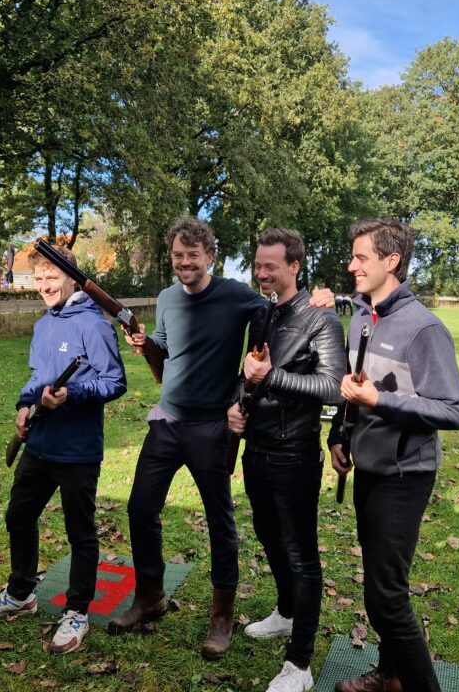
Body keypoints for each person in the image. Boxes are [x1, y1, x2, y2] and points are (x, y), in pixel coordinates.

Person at [108, 216, 266, 659]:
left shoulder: (236, 296)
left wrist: (244, 388)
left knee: (221, 522)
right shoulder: (166, 299)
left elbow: (275, 315)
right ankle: (150, 597)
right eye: (178, 256)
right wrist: (145, 344)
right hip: (167, 421)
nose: (184, 263)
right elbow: (162, 341)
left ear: (210, 257)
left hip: (212, 427)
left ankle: (221, 617)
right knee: (140, 508)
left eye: (193, 256)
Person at [329, 219, 459, 692]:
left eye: (361, 257)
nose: (351, 265)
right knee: (379, 585)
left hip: (405, 476)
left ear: (392, 262)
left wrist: (380, 403)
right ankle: (390, 676)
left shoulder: (424, 328)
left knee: (386, 598)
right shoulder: (363, 317)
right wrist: (340, 437)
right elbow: (354, 388)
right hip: (368, 467)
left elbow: (452, 410)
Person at [0, 244, 127, 656]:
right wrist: (24, 406)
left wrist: (73, 392)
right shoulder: (44, 325)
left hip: (77, 451)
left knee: (81, 533)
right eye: (38, 279)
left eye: (52, 278)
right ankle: (21, 593)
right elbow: (36, 378)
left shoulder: (94, 326)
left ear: (73, 280)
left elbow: (114, 382)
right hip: (40, 445)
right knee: (18, 515)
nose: (44, 286)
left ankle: (77, 610)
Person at [227, 228, 345, 692]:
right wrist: (239, 403)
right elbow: (250, 372)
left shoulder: (321, 320)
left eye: (270, 266)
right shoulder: (262, 313)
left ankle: (299, 664)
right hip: (256, 450)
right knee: (267, 535)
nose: (262, 273)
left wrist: (271, 377)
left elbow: (333, 388)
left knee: (301, 556)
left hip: (295, 454)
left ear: (294, 266)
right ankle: (286, 611)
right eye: (258, 265)